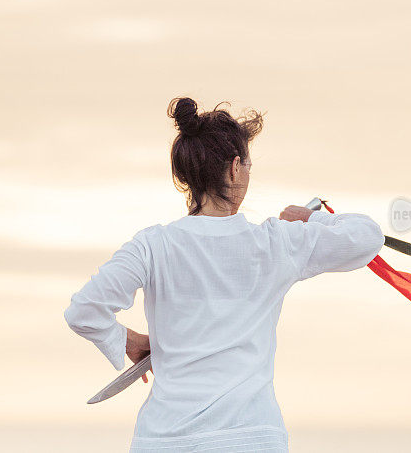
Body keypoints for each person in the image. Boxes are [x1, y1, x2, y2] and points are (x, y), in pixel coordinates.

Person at [64, 97, 385, 452]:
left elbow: (84, 311)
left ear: (186, 176)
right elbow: (367, 236)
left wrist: (126, 339)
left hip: (166, 439)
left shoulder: (152, 245)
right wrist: (312, 218)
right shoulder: (276, 243)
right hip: (250, 437)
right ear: (235, 168)